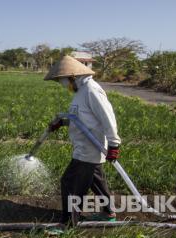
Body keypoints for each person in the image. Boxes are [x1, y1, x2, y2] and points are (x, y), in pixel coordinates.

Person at [44, 55, 121, 226]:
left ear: (72, 76)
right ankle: (109, 213)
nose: (61, 84)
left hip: (91, 148)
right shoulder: (80, 91)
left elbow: (107, 118)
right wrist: (63, 123)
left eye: (61, 80)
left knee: (70, 183)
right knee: (95, 180)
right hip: (83, 146)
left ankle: (68, 224)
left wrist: (114, 144)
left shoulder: (92, 90)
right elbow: (82, 118)